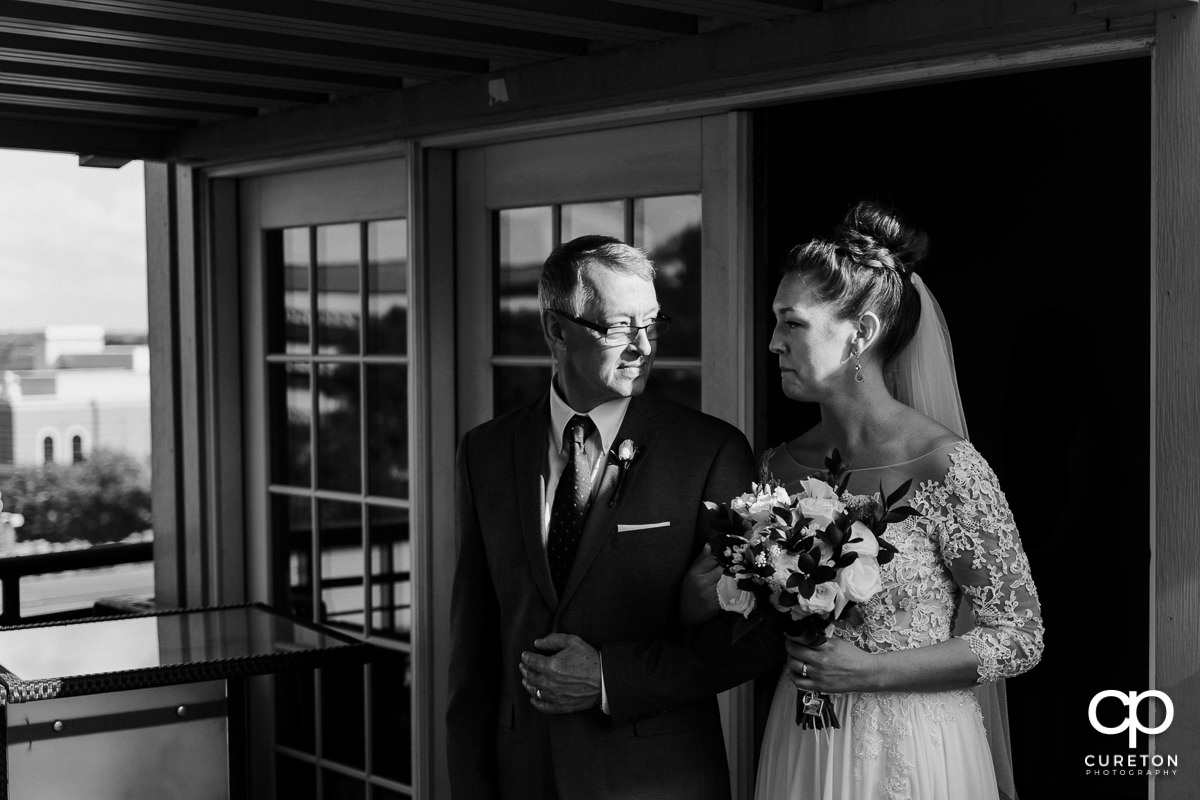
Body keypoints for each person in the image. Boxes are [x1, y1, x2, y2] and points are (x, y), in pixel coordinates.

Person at [689, 201, 1044, 799]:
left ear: (862, 334)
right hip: (803, 738)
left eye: (791, 323)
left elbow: (1019, 636)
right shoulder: (776, 466)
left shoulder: (945, 466)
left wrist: (872, 670)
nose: (772, 342)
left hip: (918, 747)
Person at [446, 235, 781, 800]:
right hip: (520, 774)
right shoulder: (484, 452)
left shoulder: (710, 452)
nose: (644, 346)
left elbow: (755, 637)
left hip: (656, 777)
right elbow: (472, 650)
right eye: (619, 327)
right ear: (556, 331)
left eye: (653, 324)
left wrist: (608, 678)